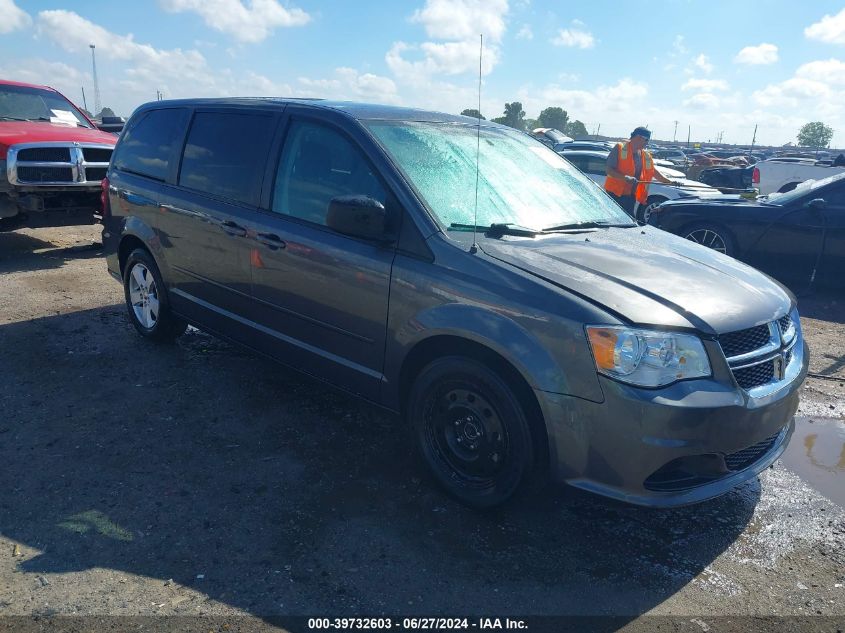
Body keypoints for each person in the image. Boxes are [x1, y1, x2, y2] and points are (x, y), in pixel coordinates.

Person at [605, 127, 676, 216]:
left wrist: (669, 182)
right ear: (638, 137)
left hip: (630, 196)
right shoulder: (620, 148)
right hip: (615, 194)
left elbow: (653, 172)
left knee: (628, 221)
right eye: (646, 140)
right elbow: (609, 170)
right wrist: (625, 178)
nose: (647, 143)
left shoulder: (645, 155)